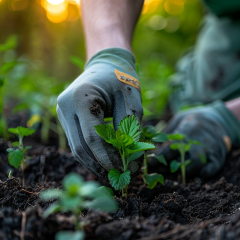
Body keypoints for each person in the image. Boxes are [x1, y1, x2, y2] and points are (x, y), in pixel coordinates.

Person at [57, 0, 240, 181]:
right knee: (197, 99)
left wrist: (230, 119)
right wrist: (108, 54)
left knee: (211, 123)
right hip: (230, 20)